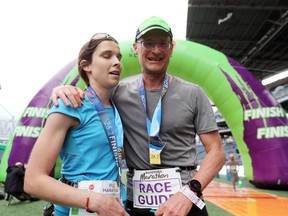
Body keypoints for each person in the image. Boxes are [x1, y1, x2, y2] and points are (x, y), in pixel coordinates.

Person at [51, 16, 226, 216]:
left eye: (163, 43)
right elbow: (93, 95)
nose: (156, 50)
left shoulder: (194, 93)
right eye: (148, 43)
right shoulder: (117, 92)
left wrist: (189, 192)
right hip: (136, 204)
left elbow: (217, 152)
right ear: (136, 48)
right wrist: (65, 89)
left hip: (185, 201)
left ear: (172, 47)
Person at [24, 33, 129, 216]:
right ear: (86, 65)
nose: (117, 62)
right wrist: (94, 201)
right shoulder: (69, 104)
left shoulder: (120, 104)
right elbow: (33, 180)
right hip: (75, 211)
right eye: (107, 55)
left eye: (118, 57)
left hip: (114, 208)